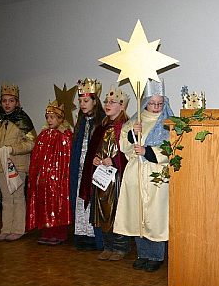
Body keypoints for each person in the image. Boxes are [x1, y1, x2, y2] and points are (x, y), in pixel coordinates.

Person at [114, 80, 173, 272]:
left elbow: (173, 148)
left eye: (159, 104)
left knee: (155, 217)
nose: (156, 108)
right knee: (137, 215)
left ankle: (156, 255)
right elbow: (123, 146)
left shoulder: (168, 122)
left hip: (156, 175)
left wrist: (148, 151)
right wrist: (132, 135)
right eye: (152, 103)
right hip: (136, 174)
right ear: (145, 102)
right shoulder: (135, 120)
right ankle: (143, 253)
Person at [79, 85, 129, 261]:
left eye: (112, 102)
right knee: (101, 209)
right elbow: (96, 149)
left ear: (122, 106)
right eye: (106, 101)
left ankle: (120, 247)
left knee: (116, 210)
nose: (107, 104)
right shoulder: (101, 127)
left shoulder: (125, 127)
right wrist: (95, 160)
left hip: (117, 177)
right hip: (101, 177)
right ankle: (107, 246)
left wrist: (114, 161)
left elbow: (127, 154)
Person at [0, 83, 36, 241]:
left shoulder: (22, 119)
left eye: (11, 101)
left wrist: (13, 148)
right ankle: (6, 228)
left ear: (17, 102)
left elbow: (31, 143)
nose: (7, 104)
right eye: (4, 100)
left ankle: (18, 229)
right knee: (5, 198)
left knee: (17, 197)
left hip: (16, 166)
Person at [26, 100, 73, 245]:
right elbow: (36, 157)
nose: (49, 120)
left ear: (60, 119)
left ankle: (59, 233)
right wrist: (37, 174)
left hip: (59, 179)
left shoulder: (65, 135)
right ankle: (46, 232)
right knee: (45, 204)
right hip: (45, 179)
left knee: (58, 204)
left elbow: (67, 158)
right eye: (47, 117)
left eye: (52, 117)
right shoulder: (43, 135)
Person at [70, 78, 105, 251]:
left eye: (86, 101)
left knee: (92, 202)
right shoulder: (81, 122)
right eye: (80, 101)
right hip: (80, 170)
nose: (82, 104)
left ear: (94, 101)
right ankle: (81, 235)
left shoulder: (101, 123)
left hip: (93, 171)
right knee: (79, 201)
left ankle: (93, 237)